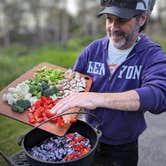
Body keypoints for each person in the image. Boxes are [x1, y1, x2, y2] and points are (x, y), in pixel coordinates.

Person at [51, 0, 166, 165]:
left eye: (121, 20)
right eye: (109, 19)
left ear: (142, 19)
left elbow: (159, 94)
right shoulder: (93, 50)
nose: (113, 27)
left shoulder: (151, 54)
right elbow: (73, 84)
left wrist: (96, 98)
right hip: (87, 139)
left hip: (123, 148)